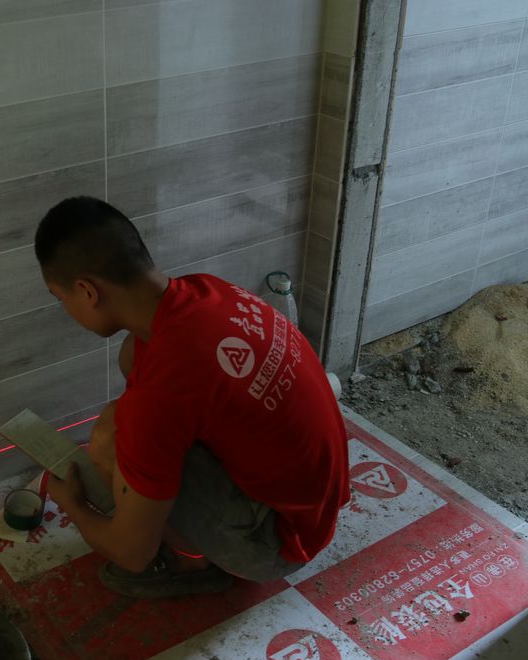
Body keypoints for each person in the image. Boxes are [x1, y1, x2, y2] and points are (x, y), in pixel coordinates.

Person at [34, 196, 350, 599]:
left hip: (277, 544)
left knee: (113, 438)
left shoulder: (160, 393)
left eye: (60, 298)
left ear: (86, 291)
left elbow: (131, 554)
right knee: (134, 362)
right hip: (315, 504)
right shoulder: (204, 289)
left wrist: (73, 505)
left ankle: (191, 563)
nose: (65, 308)